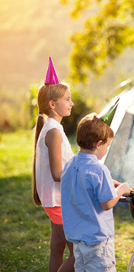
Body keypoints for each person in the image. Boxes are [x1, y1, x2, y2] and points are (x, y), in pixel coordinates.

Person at [61, 108, 131, 272]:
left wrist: (108, 182)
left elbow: (82, 187)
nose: (107, 148)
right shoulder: (99, 170)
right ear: (99, 144)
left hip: (78, 239)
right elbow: (107, 203)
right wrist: (121, 189)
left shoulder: (70, 165)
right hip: (97, 242)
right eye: (107, 145)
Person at [32, 57, 75, 272]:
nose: (71, 103)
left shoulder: (51, 128)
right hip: (59, 201)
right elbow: (58, 173)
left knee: (57, 247)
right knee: (80, 254)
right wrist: (82, 174)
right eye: (67, 99)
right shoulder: (54, 132)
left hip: (54, 200)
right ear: (52, 104)